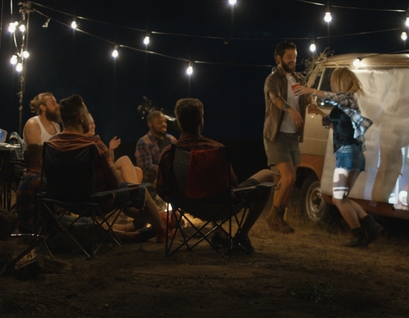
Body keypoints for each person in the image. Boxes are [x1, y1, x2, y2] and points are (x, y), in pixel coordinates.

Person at [157, 98, 274, 253]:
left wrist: (180, 198)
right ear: (201, 122)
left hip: (185, 204)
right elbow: (232, 186)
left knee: (209, 186)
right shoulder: (217, 149)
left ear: (178, 123)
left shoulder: (169, 153)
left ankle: (218, 233)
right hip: (222, 207)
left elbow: (161, 189)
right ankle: (241, 237)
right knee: (268, 175)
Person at [47, 94, 167, 243]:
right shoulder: (94, 145)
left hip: (66, 202)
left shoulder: (50, 145)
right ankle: (161, 229)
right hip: (96, 202)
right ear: (81, 118)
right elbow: (117, 184)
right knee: (140, 191)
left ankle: (150, 222)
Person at [294, 67, 384, 247]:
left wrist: (311, 90)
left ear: (341, 82)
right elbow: (333, 123)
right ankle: (371, 226)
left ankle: (359, 235)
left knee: (338, 199)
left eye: (334, 81)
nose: (332, 84)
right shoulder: (345, 104)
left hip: (347, 154)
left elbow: (332, 97)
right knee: (344, 197)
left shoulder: (347, 98)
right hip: (355, 154)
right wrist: (318, 112)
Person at [263, 41, 313, 234]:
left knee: (286, 181)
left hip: (293, 136)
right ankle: (273, 217)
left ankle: (278, 217)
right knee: (289, 176)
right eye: (289, 57)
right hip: (276, 135)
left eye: (295, 56)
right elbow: (275, 98)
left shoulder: (299, 78)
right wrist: (290, 109)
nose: (293, 60)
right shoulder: (272, 79)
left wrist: (313, 103)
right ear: (279, 58)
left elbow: (306, 97)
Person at [87, 113, 143, 184]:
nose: (93, 126)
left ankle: (133, 193)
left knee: (138, 171)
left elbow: (110, 161)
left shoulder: (96, 140)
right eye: (90, 124)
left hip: (106, 170)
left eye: (94, 123)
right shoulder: (87, 142)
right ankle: (136, 193)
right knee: (124, 160)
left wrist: (111, 149)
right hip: (99, 173)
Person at [135, 110, 177, 194]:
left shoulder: (171, 139)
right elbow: (145, 166)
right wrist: (164, 169)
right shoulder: (144, 142)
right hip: (154, 187)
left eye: (165, 121)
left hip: (173, 183)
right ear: (150, 124)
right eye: (159, 122)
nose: (164, 124)